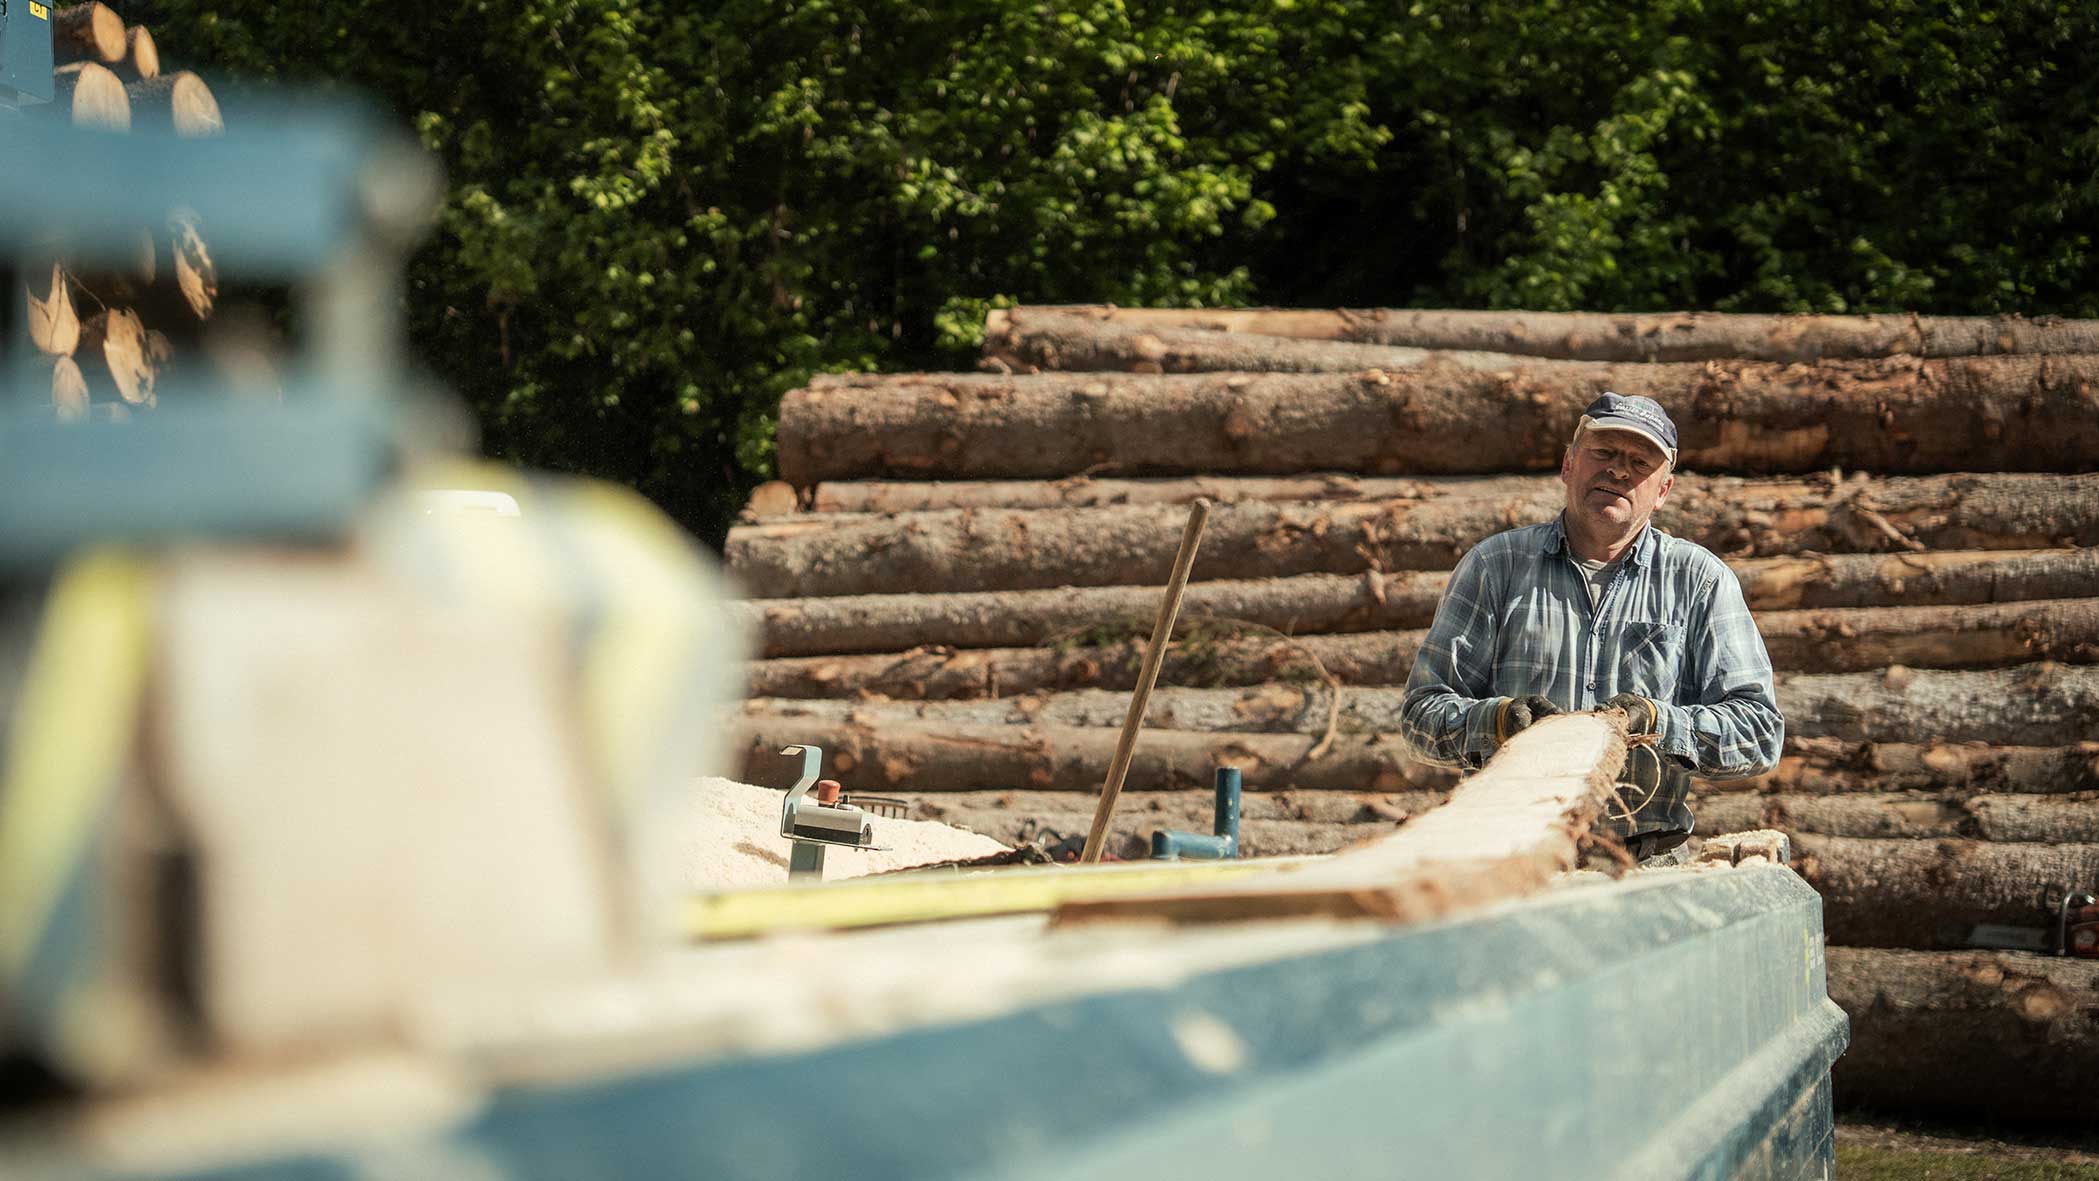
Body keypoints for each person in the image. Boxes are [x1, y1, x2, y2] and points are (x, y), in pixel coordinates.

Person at [1398, 393, 1784, 863]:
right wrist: (1496, 722)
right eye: (1603, 453)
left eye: (1640, 462)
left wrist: (1662, 723)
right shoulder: (1495, 567)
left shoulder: (1699, 579)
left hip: (1644, 865)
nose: (1619, 471)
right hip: (1503, 862)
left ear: (1663, 490)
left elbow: (1760, 733)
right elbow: (1421, 716)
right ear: (1568, 464)